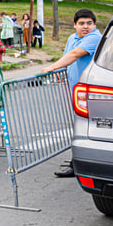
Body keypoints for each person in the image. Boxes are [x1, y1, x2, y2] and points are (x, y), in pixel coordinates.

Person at [44, 9, 102, 178]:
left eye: (89, 23)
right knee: (81, 127)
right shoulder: (72, 38)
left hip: (91, 93)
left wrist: (52, 67)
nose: (86, 27)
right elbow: (67, 58)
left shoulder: (94, 37)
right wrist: (60, 71)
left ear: (94, 25)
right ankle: (81, 163)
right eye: (82, 23)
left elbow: (75, 54)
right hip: (76, 93)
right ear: (75, 25)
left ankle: (79, 165)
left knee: (87, 128)